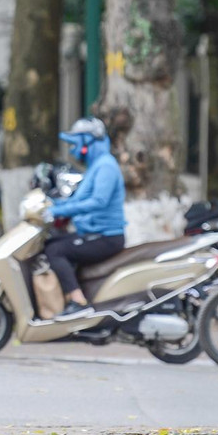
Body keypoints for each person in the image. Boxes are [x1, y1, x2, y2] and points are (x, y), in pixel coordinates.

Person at [44, 117, 126, 317]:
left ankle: (78, 302)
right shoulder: (97, 165)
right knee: (51, 240)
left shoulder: (106, 166)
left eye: (75, 144)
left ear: (88, 142)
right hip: (92, 233)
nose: (72, 149)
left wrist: (58, 211)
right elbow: (79, 199)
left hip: (106, 237)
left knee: (56, 250)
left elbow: (98, 201)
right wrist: (52, 205)